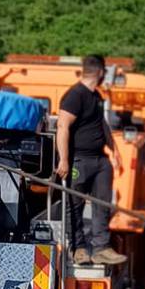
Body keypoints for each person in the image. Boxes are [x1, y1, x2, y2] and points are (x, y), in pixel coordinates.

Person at [55, 55, 127, 265]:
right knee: (74, 205)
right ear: (100, 73)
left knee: (102, 203)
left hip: (100, 161)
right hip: (80, 160)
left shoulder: (96, 96)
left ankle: (102, 247)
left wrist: (114, 149)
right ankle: (78, 248)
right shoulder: (74, 96)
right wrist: (64, 160)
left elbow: (101, 123)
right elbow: (62, 127)